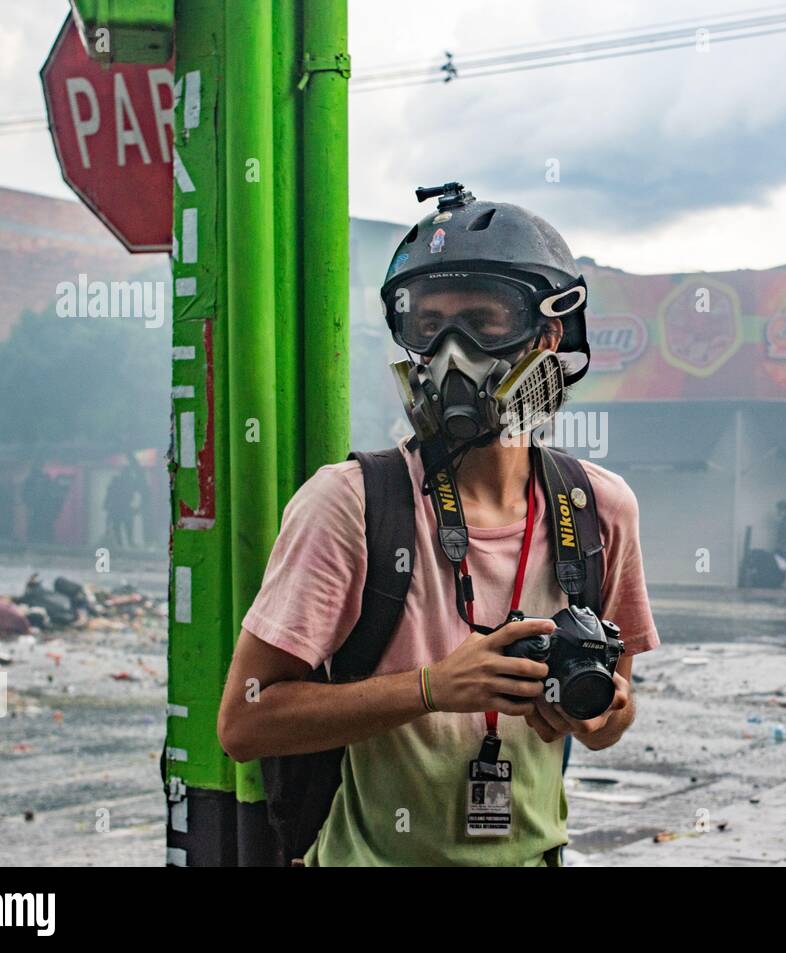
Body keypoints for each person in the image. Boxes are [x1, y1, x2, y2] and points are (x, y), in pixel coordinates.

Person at [216, 183, 658, 867]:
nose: (452, 352)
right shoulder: (348, 505)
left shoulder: (599, 509)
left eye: (483, 321)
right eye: (428, 325)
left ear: (547, 336)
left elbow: (608, 725)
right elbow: (244, 722)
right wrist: (431, 689)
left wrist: (596, 710)